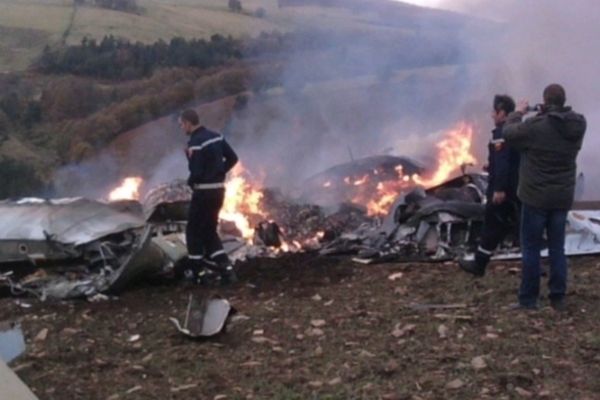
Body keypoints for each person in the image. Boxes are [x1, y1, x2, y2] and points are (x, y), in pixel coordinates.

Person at [503, 84, 586, 310]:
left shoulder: (536, 127)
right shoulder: (578, 124)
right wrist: (546, 113)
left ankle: (528, 300)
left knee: (531, 249)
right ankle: (557, 297)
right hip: (561, 198)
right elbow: (558, 125)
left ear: (545, 101)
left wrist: (518, 112)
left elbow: (509, 133)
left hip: (535, 198)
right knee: (557, 248)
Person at [459, 95, 520, 276]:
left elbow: (504, 162)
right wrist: (490, 165)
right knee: (515, 225)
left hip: (504, 189)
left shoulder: (501, 133)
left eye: (494, 112)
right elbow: (509, 160)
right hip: (516, 187)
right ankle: (534, 264)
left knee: (493, 224)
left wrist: (499, 189)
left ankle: (479, 265)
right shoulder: (516, 130)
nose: (492, 115)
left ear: (502, 112)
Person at [179, 108, 239, 285]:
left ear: (188, 123)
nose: (182, 128)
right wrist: (220, 172)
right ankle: (227, 270)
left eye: (182, 124)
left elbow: (196, 172)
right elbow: (233, 158)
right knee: (209, 231)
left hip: (203, 192)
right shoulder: (217, 136)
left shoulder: (195, 143)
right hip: (219, 191)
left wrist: (190, 170)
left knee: (193, 231)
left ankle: (199, 274)